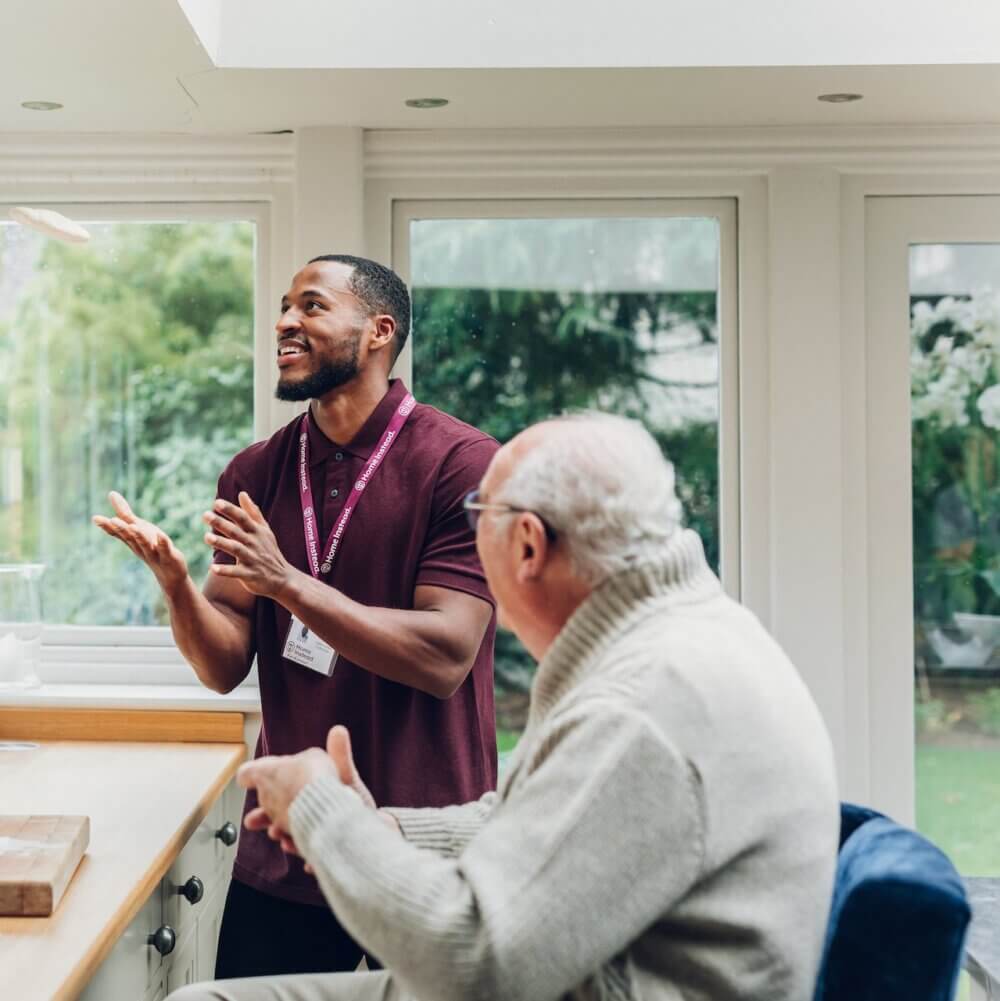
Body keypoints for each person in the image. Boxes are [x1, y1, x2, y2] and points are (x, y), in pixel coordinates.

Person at [169, 412, 840, 1001]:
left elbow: (473, 965)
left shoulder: (638, 705)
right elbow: (556, 820)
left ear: (526, 544)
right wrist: (393, 829)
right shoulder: (684, 635)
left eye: (474, 519)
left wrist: (324, 812)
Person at [94, 255, 499, 978]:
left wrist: (287, 582)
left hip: (422, 852)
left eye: (312, 306)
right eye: (284, 306)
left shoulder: (462, 463)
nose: (285, 321)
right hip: (284, 855)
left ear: (378, 331)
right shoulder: (255, 472)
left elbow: (445, 656)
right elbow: (223, 665)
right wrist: (180, 587)